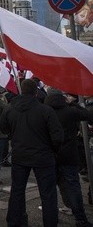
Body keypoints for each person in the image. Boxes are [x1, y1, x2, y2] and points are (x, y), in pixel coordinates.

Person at [0, 78, 64, 227]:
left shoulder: (10, 108)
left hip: (22, 154)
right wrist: (52, 150)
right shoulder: (45, 110)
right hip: (42, 156)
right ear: (36, 92)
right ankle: (49, 223)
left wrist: (15, 136)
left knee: (17, 191)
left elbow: (4, 129)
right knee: (47, 194)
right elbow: (57, 136)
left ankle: (14, 222)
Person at [45, 88, 93, 227]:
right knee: (73, 187)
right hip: (69, 155)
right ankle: (80, 219)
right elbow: (88, 116)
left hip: (50, 155)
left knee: (48, 189)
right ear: (62, 98)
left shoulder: (44, 111)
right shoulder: (70, 111)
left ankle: (50, 219)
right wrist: (73, 104)